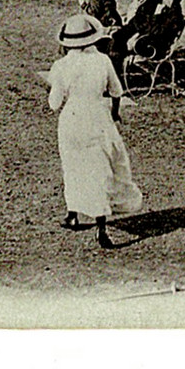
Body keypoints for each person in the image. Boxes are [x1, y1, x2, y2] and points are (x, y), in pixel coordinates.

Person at [47, 14, 144, 249]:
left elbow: (54, 103)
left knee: (73, 166)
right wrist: (114, 113)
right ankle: (101, 227)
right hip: (97, 117)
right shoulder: (102, 61)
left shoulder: (61, 66)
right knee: (100, 168)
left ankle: (74, 213)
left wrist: (57, 87)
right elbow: (116, 91)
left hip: (72, 119)